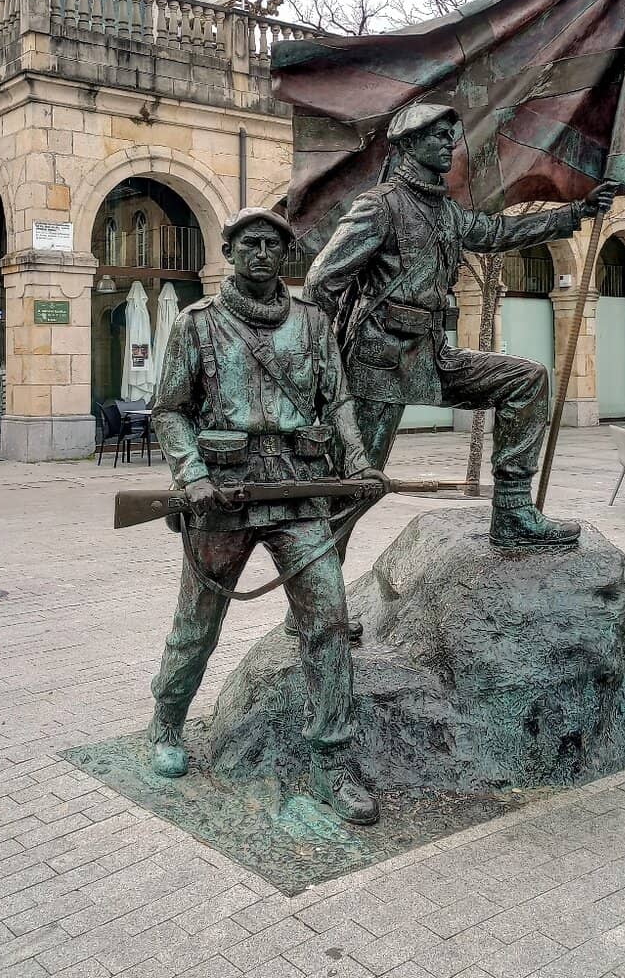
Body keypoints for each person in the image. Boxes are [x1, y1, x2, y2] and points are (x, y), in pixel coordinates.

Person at [149, 207, 380, 825]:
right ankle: (167, 720)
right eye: (249, 243)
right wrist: (192, 475)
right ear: (229, 252)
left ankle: (333, 758)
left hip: (299, 491)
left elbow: (338, 399)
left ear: (285, 256)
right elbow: (169, 409)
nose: (261, 253)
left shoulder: (312, 323)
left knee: (328, 620)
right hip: (224, 495)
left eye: (273, 245)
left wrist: (359, 462)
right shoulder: (197, 324)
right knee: (198, 622)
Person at [304, 100, 618, 553]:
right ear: (408, 144)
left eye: (451, 136)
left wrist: (575, 213)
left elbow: (498, 233)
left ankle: (513, 512)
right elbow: (321, 282)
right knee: (354, 489)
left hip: (434, 355)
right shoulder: (380, 206)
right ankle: (315, 591)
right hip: (378, 365)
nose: (449, 144)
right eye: (438, 136)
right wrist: (324, 365)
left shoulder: (446, 212)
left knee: (527, 380)